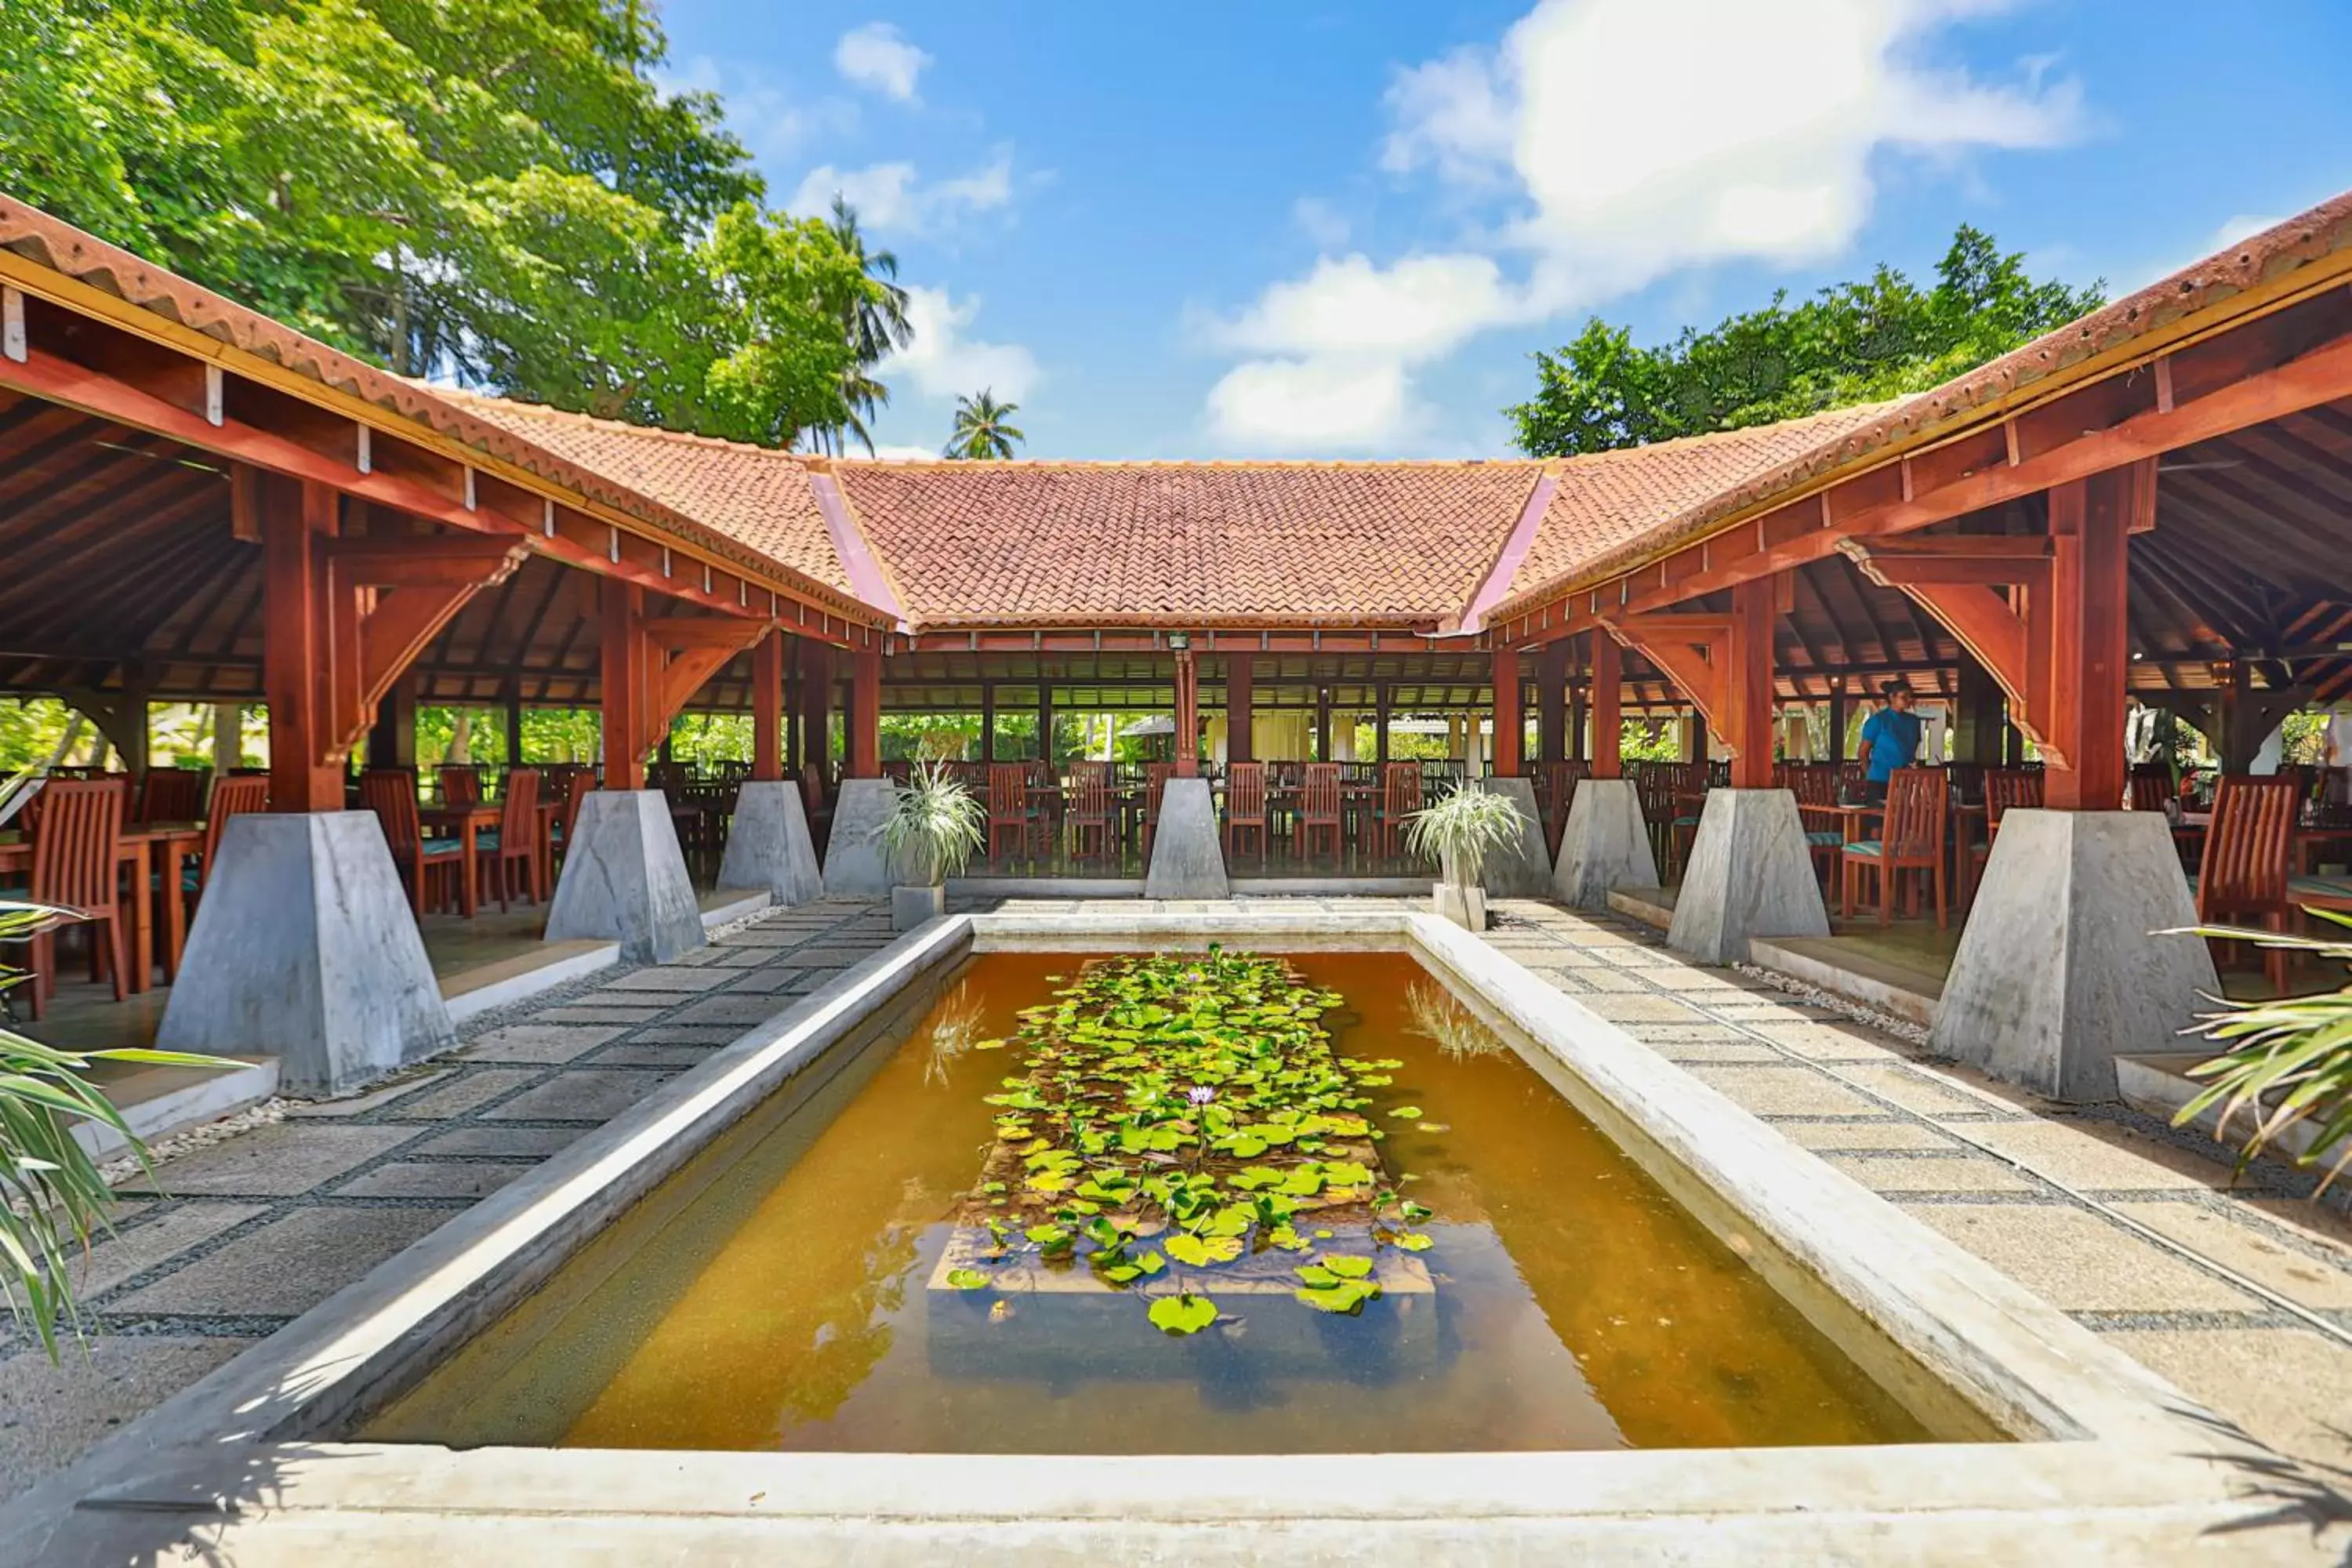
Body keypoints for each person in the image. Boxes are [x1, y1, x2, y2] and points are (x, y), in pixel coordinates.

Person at [1857, 681, 1922, 805]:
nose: (1909, 700)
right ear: (1892, 697)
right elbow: (1863, 753)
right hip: (1879, 779)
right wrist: (1870, 775)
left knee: (1904, 820)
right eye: (1904, 697)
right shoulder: (1878, 721)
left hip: (1905, 781)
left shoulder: (1914, 722)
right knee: (1878, 821)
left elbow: (1912, 749)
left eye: (1911, 696)